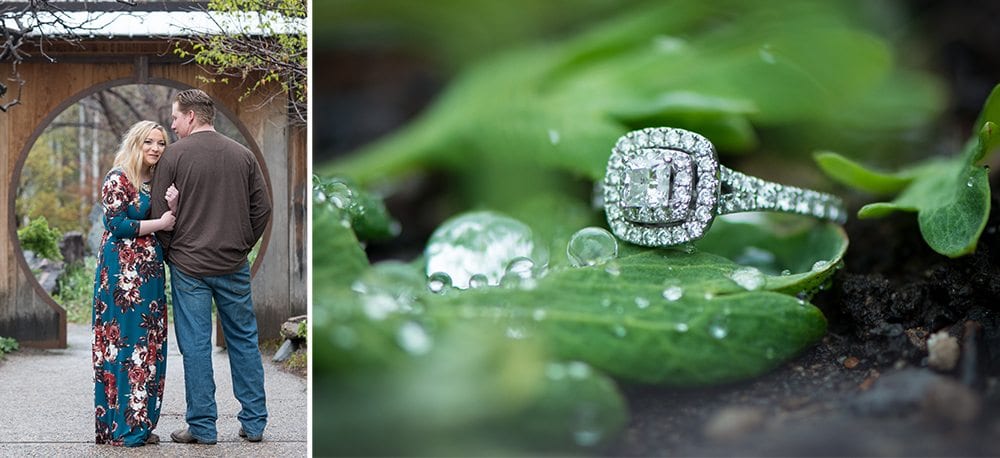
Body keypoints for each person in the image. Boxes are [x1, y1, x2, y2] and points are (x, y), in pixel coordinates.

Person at [149, 88, 272, 445]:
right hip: (232, 263)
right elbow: (262, 209)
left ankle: (203, 427)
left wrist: (173, 251)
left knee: (196, 345)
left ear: (191, 116)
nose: (172, 125)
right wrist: (241, 245)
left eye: (175, 118)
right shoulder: (242, 154)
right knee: (244, 340)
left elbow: (160, 211)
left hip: (189, 266)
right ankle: (254, 423)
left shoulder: (173, 157)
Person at [92, 120, 176, 447]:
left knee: (149, 345)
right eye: (149, 142)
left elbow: (169, 223)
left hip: (150, 274)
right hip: (123, 276)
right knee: (127, 345)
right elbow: (117, 224)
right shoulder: (118, 178)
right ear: (136, 143)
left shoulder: (154, 182)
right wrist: (161, 221)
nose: (155, 148)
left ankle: (141, 422)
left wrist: (174, 206)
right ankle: (123, 428)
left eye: (161, 143)